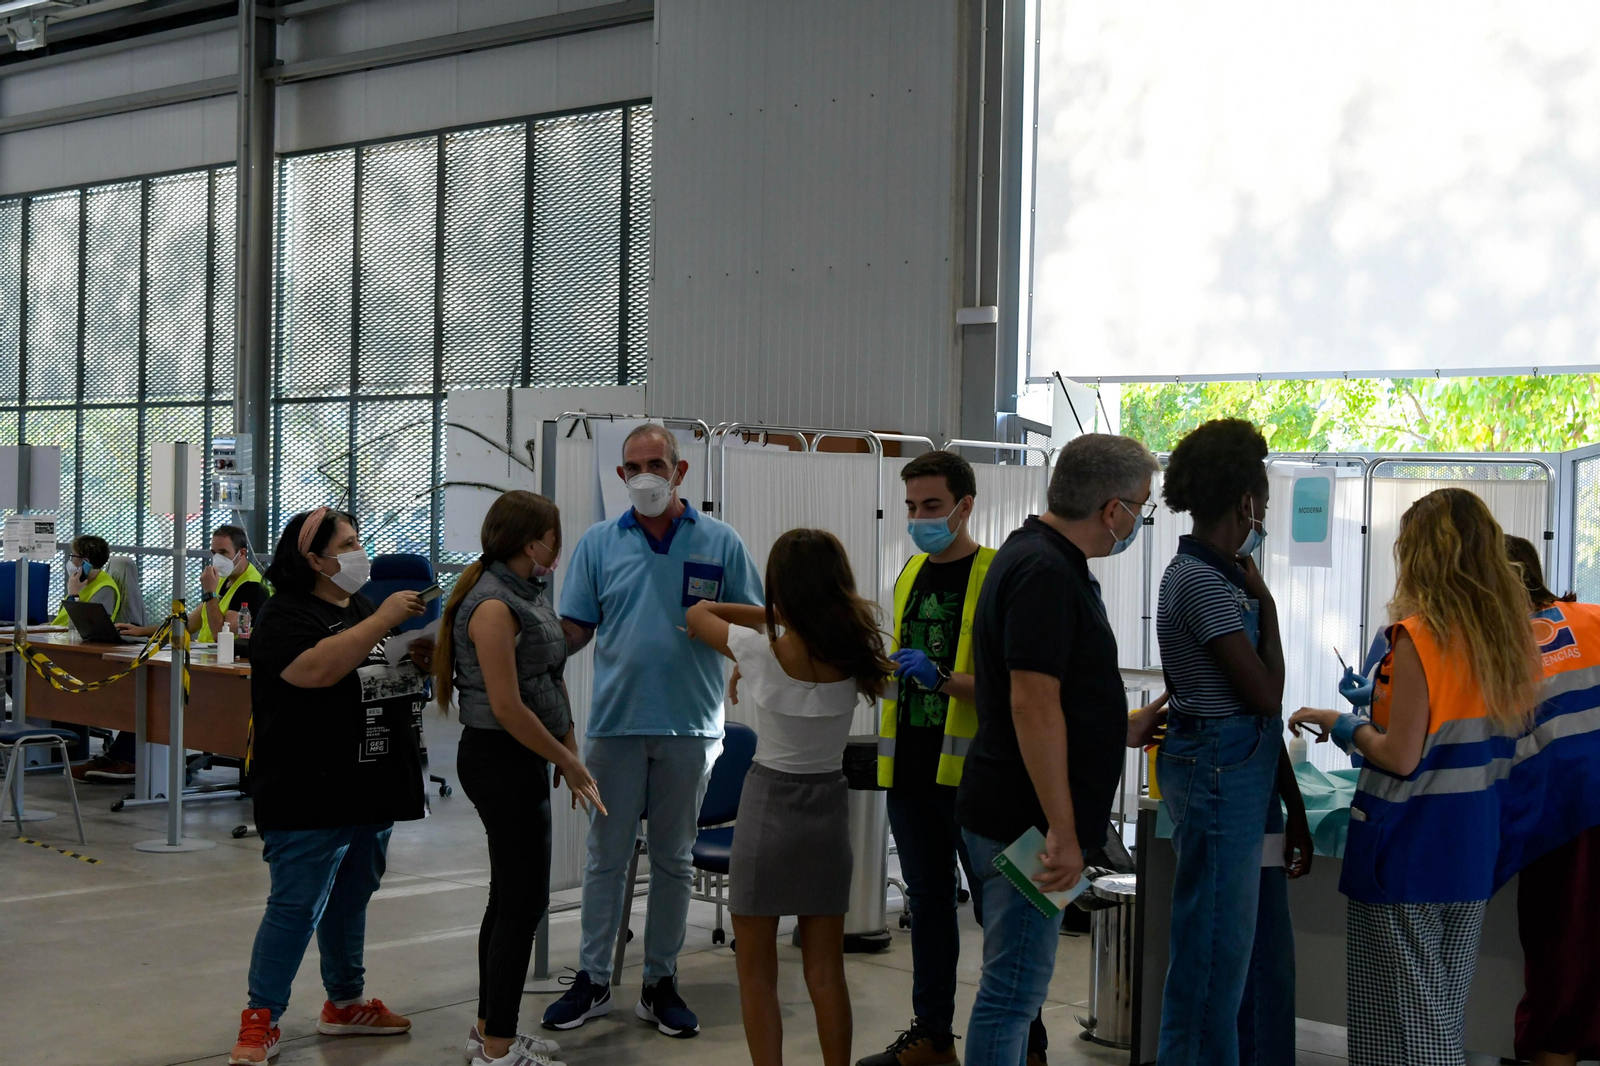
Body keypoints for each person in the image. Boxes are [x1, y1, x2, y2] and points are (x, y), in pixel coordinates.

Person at [1290, 489, 1543, 1066]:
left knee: (1402, 1033)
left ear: (1421, 554)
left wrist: (1343, 724)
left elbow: (1401, 756)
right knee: (1436, 1016)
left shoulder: (1418, 637)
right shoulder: (1506, 640)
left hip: (1408, 850)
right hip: (1472, 851)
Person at [542, 423, 762, 1039]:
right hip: (615, 726)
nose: (645, 475)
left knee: (672, 861)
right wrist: (525, 646)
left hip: (691, 728)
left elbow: (752, 618)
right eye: (633, 466)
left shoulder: (720, 542)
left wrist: (747, 663)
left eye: (656, 464)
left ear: (679, 471)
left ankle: (660, 983)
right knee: (605, 860)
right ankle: (592, 979)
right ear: (620, 477)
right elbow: (577, 628)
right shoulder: (596, 544)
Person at [955, 433, 1163, 1066]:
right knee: (1013, 993)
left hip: (1018, 811)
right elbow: (1030, 703)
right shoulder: (1044, 570)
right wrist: (1065, 833)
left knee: (1015, 989)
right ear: (1112, 509)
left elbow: (1059, 695)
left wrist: (1120, 727)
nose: (1138, 523)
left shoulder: (1040, 560)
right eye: (1141, 508)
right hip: (1027, 824)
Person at [229, 507, 433, 1066]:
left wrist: (412, 656)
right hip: (305, 789)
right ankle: (260, 1018)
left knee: (350, 900)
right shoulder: (283, 614)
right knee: (295, 907)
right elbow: (314, 670)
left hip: (368, 783)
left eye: (359, 539)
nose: (358, 551)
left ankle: (345, 1002)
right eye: (347, 544)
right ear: (314, 559)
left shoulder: (361, 606)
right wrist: (382, 622)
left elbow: (369, 669)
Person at [684, 528, 890, 1066]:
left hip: (768, 807)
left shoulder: (757, 648)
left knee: (756, 972)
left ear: (780, 591)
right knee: (826, 971)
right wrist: (799, 613)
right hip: (828, 809)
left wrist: (770, 613)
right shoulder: (858, 655)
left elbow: (699, 612)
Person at [864, 449, 1042, 1066]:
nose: (919, 518)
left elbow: (1021, 686)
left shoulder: (1000, 574)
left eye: (932, 506)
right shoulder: (909, 572)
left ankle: (1028, 1043)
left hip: (979, 778)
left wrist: (941, 679)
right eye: (912, 506)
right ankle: (932, 1035)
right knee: (929, 904)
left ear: (966, 506)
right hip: (910, 769)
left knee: (1007, 913)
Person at [1153, 419, 1313, 1065]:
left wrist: (1293, 811)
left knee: (1252, 954)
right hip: (1220, 774)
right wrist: (1267, 608)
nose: (1265, 513)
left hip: (1243, 772)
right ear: (1247, 500)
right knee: (1213, 958)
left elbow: (1262, 723)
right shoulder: (1202, 583)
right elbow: (1266, 697)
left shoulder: (1221, 577)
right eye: (1265, 500)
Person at [434, 491, 603, 1066]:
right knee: (522, 905)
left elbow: (545, 680)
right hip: (500, 758)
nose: (558, 547)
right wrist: (568, 759)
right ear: (532, 543)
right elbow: (507, 707)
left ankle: (490, 1031)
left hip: (520, 756)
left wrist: (563, 747)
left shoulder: (521, 594)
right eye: (553, 537)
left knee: (509, 898)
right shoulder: (492, 606)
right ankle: (499, 1048)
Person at [1501, 535, 1600, 1066]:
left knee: (1559, 981)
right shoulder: (1592, 617)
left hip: (1561, 826)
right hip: (1578, 812)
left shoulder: (1503, 648)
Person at [79, 526, 270, 784]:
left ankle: (129, 759)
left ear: (242, 553)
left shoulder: (252, 589)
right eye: (213, 552)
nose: (216, 558)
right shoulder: (226, 582)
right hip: (204, 665)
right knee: (149, 684)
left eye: (223, 552)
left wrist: (210, 593)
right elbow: (188, 624)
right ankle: (123, 756)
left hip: (226, 677)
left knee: (158, 692)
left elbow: (218, 632)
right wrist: (143, 631)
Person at [52, 534, 122, 627]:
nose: (71, 561)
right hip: (57, 634)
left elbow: (92, 628)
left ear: (85, 561)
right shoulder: (82, 582)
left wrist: (74, 596)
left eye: (73, 556)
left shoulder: (105, 589)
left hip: (71, 639)